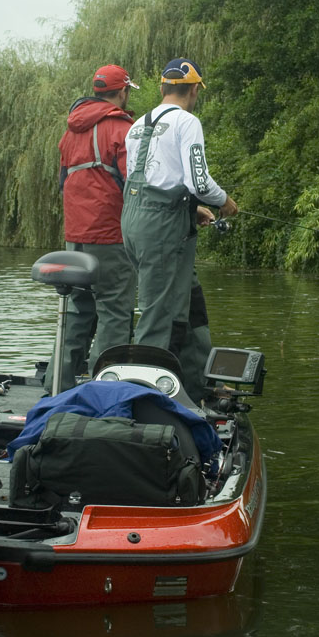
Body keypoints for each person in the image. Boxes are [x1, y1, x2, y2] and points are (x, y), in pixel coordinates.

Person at [121, 58, 237, 400]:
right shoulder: (187, 122)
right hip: (161, 228)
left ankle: (200, 383)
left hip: (135, 220)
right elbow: (198, 181)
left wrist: (192, 209)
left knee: (191, 302)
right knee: (158, 315)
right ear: (194, 90)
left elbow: (149, 180)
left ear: (161, 88)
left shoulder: (136, 125)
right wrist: (223, 201)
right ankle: (141, 399)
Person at [43, 64, 139, 393]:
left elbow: (62, 182)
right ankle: (103, 390)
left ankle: (55, 386)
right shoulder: (120, 128)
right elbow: (133, 184)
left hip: (75, 238)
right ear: (122, 91)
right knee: (114, 309)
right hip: (110, 236)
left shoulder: (71, 131)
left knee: (77, 310)